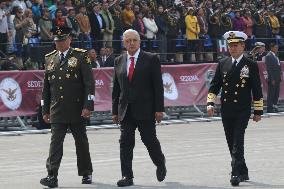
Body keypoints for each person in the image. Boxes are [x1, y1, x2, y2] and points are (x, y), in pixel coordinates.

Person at [207, 31, 263, 186]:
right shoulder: (223, 63)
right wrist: (210, 103)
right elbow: (214, 86)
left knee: (238, 141)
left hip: (242, 109)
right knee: (231, 141)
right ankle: (243, 170)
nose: (232, 48)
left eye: (235, 45)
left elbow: (256, 89)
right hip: (226, 109)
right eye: (230, 45)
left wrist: (258, 111)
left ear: (243, 46)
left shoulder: (250, 65)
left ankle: (235, 173)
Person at [40, 26, 94, 188]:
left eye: (62, 40)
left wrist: (88, 106)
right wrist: (45, 109)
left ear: (69, 39)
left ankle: (86, 172)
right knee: (55, 143)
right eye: (57, 41)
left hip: (77, 108)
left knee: (81, 142)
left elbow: (89, 84)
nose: (59, 44)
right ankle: (52, 175)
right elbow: (46, 88)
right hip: (57, 109)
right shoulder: (49, 58)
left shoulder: (80, 56)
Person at [112, 29, 166, 187]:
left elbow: (158, 86)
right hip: (126, 110)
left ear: (139, 42)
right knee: (125, 143)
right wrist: (115, 111)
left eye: (134, 40)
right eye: (128, 40)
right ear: (124, 43)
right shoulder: (119, 60)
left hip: (146, 109)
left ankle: (160, 163)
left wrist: (159, 109)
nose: (131, 43)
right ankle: (126, 176)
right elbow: (116, 88)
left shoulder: (151, 59)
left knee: (149, 140)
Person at [265, 43, 282, 113]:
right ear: (271, 48)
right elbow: (269, 69)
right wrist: (272, 79)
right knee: (271, 93)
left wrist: (279, 77)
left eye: (277, 47)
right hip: (273, 78)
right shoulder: (268, 56)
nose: (277, 49)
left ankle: (275, 105)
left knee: (276, 93)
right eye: (275, 47)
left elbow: (278, 67)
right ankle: (269, 107)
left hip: (277, 77)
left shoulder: (275, 56)